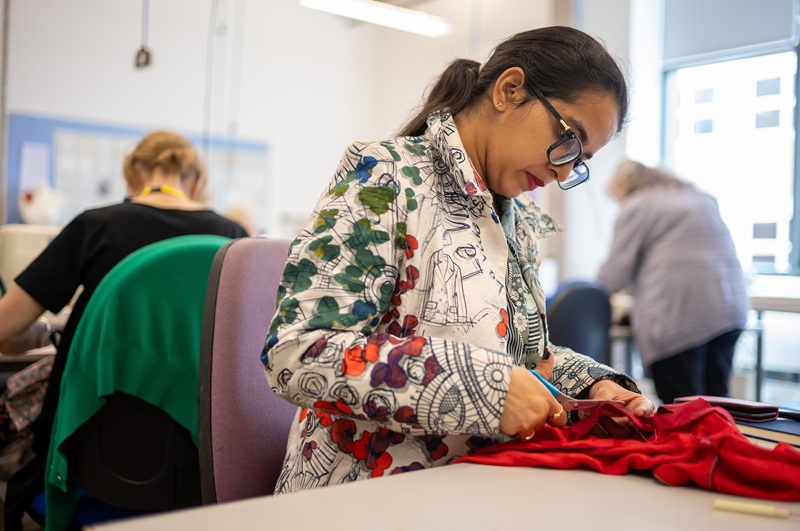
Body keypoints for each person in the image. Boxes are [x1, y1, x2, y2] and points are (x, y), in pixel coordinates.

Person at [263, 26, 656, 495]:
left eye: (581, 159)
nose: (564, 170)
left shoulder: (516, 219)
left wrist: (592, 386)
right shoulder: (386, 179)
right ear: (510, 90)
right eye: (568, 139)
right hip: (363, 495)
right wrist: (487, 389)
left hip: (477, 484)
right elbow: (297, 351)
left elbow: (518, 358)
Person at [0, 130, 247, 530]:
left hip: (89, 462)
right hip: (204, 468)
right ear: (197, 183)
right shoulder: (234, 237)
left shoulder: (95, 225)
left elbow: (4, 329)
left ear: (131, 179)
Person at [597, 160, 750, 405]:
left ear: (624, 184)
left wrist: (584, 298)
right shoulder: (700, 199)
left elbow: (614, 274)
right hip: (729, 309)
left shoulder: (639, 205)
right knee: (719, 403)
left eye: (617, 199)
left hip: (678, 316)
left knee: (684, 408)